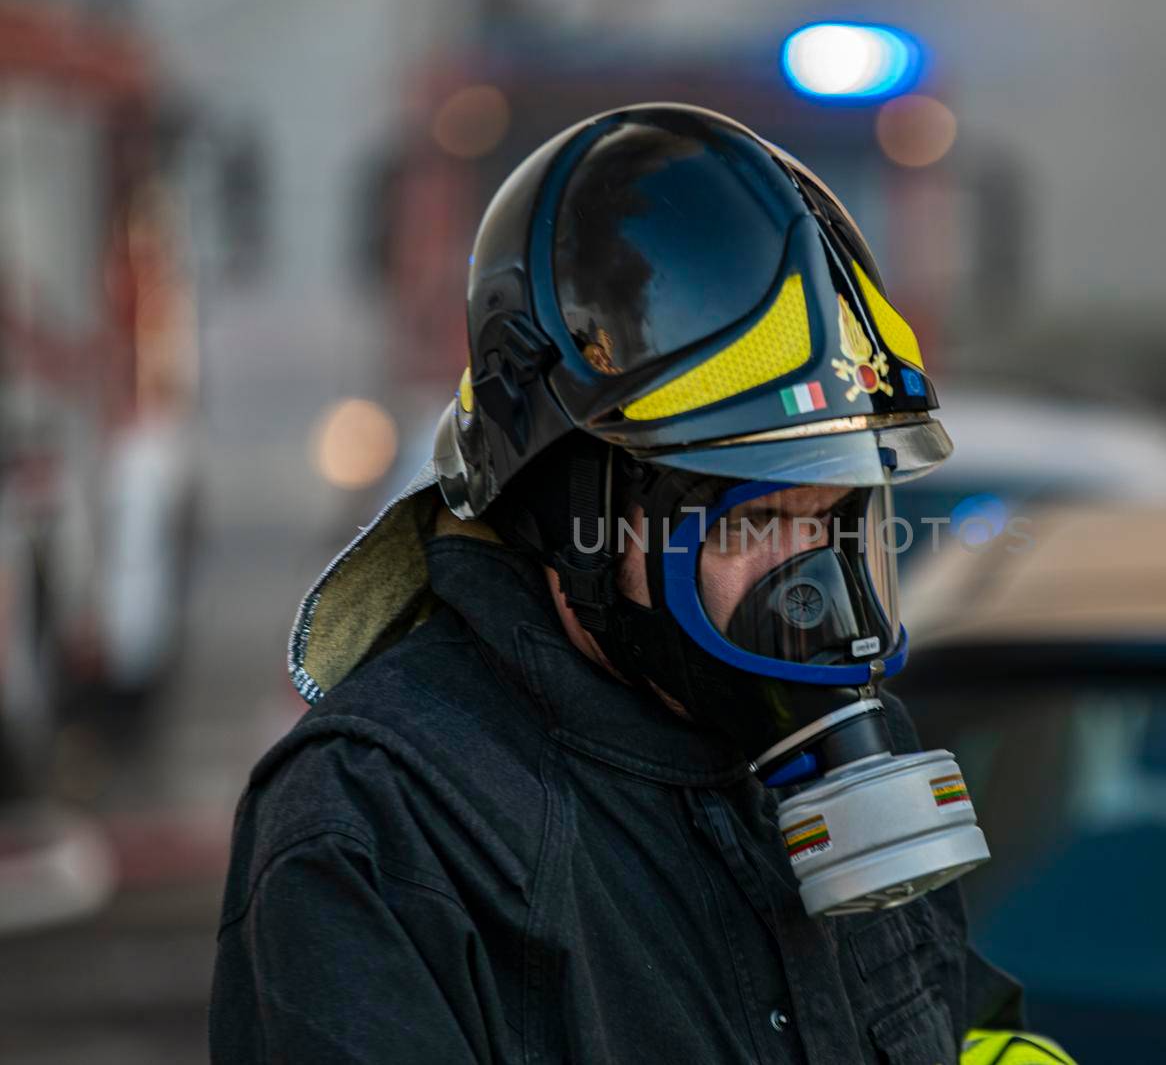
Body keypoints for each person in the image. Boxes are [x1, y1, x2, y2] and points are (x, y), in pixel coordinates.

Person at [210, 103, 1074, 1065]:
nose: (817, 590)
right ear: (573, 507)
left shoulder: (815, 750)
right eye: (752, 520)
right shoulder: (384, 825)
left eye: (834, 520)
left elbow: (965, 1032)